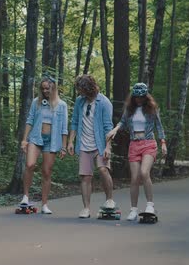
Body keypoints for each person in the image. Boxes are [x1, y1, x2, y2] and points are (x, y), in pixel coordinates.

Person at [106, 82, 167, 220]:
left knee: (144, 173)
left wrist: (163, 142)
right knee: (134, 178)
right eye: (136, 97)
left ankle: (150, 205)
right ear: (133, 97)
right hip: (134, 144)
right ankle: (133, 209)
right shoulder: (130, 110)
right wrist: (115, 130)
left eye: (141, 97)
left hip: (149, 144)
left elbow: (159, 126)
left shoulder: (152, 109)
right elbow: (122, 122)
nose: (139, 99)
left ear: (146, 97)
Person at [67, 75, 116, 218]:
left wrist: (108, 147)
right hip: (83, 144)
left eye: (81, 89)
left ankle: (109, 200)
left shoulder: (104, 102)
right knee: (85, 177)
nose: (79, 92)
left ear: (88, 88)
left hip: (100, 144)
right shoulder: (79, 102)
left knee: (103, 170)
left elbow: (108, 127)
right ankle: (86, 208)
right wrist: (70, 141)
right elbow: (75, 122)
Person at [20, 76, 68, 214]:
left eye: (48, 88)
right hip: (36, 138)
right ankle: (25, 197)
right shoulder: (37, 102)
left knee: (46, 172)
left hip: (52, 141)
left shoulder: (62, 105)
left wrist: (64, 147)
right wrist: (24, 140)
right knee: (30, 165)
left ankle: (45, 204)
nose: (45, 90)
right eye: (43, 88)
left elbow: (64, 128)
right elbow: (29, 120)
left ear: (54, 87)